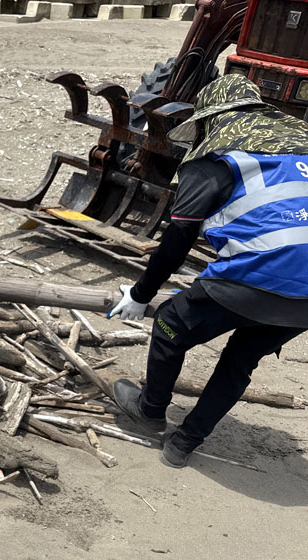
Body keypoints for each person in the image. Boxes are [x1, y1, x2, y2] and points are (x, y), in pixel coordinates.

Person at [107, 74, 308, 468]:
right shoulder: (302, 142)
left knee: (170, 325)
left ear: (209, 119)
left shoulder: (216, 153)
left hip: (258, 273)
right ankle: (184, 444)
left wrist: (141, 294)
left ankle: (150, 413)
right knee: (241, 360)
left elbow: (180, 234)